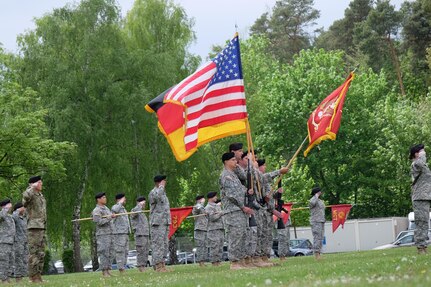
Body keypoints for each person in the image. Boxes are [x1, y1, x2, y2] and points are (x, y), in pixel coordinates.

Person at [219, 152, 254, 270]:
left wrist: (246, 191)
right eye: (233, 160)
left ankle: (241, 262)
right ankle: (234, 262)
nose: (235, 162)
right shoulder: (226, 176)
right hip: (232, 211)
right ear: (226, 162)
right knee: (235, 236)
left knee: (242, 235)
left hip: (239, 210)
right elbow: (231, 195)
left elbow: (239, 189)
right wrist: (243, 207)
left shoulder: (234, 175)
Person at [256, 159, 287, 266]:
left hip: (268, 212)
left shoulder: (264, 180)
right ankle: (260, 257)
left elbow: (269, 194)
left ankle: (265, 256)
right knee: (262, 235)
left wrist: (276, 193)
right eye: (263, 165)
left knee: (268, 236)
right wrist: (279, 171)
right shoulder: (259, 177)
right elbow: (264, 197)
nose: (265, 167)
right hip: (263, 211)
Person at [22, 175, 46, 283]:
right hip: (33, 226)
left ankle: (38, 275)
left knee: (41, 253)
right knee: (34, 252)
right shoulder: (30, 193)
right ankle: (33, 277)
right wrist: (31, 187)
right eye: (39, 182)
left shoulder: (40, 195)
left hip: (41, 226)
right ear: (33, 184)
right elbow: (24, 200)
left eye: (41, 182)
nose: (41, 184)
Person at [410, 143, 431, 254]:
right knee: (421, 222)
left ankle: (423, 246)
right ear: (416, 153)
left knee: (425, 223)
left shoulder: (422, 165)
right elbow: (420, 162)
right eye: (422, 151)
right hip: (419, 197)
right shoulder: (416, 164)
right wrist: (422, 156)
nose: (425, 153)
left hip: (425, 197)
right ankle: (420, 247)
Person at [149, 175, 171, 272]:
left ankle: (163, 265)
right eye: (163, 181)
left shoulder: (163, 193)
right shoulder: (153, 192)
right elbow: (157, 198)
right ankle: (158, 266)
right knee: (158, 244)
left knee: (164, 244)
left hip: (164, 222)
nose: (165, 182)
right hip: (157, 223)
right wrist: (161, 187)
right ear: (159, 182)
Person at [92, 192, 115, 277]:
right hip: (103, 235)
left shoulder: (106, 208)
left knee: (110, 253)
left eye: (105, 197)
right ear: (98, 199)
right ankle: (104, 272)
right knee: (104, 252)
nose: (105, 199)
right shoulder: (97, 210)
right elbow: (98, 222)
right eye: (103, 197)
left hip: (110, 233)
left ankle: (108, 270)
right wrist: (109, 218)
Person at [111, 193, 131, 274]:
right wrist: (120, 202)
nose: (125, 200)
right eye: (123, 198)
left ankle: (123, 267)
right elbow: (114, 210)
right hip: (119, 233)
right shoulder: (116, 207)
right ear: (118, 200)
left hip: (125, 233)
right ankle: (121, 269)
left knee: (126, 251)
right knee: (120, 251)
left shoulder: (123, 209)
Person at [130, 196, 150, 272]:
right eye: (143, 203)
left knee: (146, 250)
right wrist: (139, 205)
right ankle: (140, 267)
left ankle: (144, 266)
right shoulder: (135, 210)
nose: (144, 205)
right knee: (140, 250)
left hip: (145, 234)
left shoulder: (142, 212)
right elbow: (133, 214)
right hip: (139, 234)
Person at [205, 192, 224, 266]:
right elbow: (212, 218)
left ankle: (218, 261)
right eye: (215, 196)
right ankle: (214, 262)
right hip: (213, 229)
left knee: (220, 245)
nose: (216, 197)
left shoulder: (217, 206)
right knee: (214, 246)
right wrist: (220, 213)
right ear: (210, 198)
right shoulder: (208, 207)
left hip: (220, 228)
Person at [0, 199, 15, 284]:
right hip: (4, 241)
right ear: (3, 206)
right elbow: (1, 216)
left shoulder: (9, 216)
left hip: (11, 241)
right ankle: (3, 279)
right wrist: (4, 209)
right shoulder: (2, 214)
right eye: (8, 204)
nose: (10, 205)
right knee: (3, 261)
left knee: (11, 260)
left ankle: (8, 277)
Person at [12, 202, 28, 282]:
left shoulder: (23, 218)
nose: (25, 209)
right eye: (23, 208)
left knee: (24, 259)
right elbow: (13, 216)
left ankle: (23, 276)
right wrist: (18, 210)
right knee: (18, 259)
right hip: (18, 242)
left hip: (25, 241)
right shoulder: (15, 216)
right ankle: (18, 277)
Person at [309, 186, 325, 260]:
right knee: (317, 237)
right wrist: (316, 196)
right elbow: (312, 203)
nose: (320, 193)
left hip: (321, 220)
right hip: (315, 221)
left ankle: (319, 252)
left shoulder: (320, 201)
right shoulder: (312, 200)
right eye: (319, 192)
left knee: (321, 237)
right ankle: (316, 253)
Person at [274, 187, 290, 261]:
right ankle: (281, 255)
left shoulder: (280, 204)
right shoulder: (274, 204)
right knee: (281, 238)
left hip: (285, 222)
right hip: (279, 222)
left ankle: (284, 254)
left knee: (285, 239)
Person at [192, 195, 208, 267]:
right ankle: (200, 262)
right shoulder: (197, 206)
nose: (204, 200)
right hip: (199, 228)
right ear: (199, 200)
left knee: (204, 246)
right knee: (200, 245)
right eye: (202, 199)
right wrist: (200, 203)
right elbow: (197, 210)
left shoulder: (202, 207)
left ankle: (203, 261)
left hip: (205, 228)